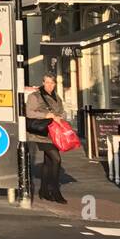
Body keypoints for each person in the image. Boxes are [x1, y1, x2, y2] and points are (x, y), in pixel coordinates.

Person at [25, 74, 70, 204]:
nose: (50, 85)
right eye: (47, 82)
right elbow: (29, 113)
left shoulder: (57, 97)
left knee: (48, 162)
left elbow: (61, 111)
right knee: (56, 159)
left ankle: (43, 191)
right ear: (43, 82)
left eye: (52, 83)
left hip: (55, 132)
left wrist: (60, 117)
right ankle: (55, 190)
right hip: (42, 133)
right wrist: (47, 115)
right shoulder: (35, 96)